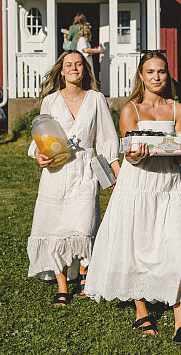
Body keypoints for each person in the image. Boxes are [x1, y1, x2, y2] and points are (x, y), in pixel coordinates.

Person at [85, 51, 181, 346]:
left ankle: (180, 326)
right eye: (150, 71)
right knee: (137, 246)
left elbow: (178, 154)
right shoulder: (131, 110)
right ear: (141, 75)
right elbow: (130, 156)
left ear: (167, 75)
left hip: (170, 184)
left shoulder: (178, 109)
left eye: (161, 71)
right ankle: (141, 311)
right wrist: (136, 156)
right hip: (137, 183)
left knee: (178, 248)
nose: (156, 77)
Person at [27, 50, 120, 307]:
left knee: (84, 225)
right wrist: (38, 155)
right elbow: (40, 136)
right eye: (68, 64)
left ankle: (84, 273)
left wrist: (116, 170)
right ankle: (62, 286)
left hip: (86, 170)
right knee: (55, 229)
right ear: (62, 70)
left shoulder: (96, 99)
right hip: (56, 171)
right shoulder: (51, 101)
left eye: (78, 64)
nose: (74, 68)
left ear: (84, 69)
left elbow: (107, 137)